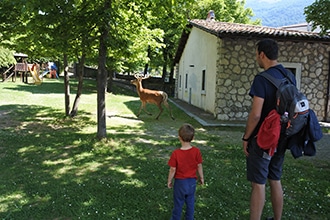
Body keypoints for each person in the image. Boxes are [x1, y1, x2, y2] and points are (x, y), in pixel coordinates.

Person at [242, 39, 296, 220]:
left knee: (258, 183)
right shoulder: (290, 76)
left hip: (264, 139)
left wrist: (246, 137)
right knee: (275, 178)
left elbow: (256, 114)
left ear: (262, 54)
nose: (256, 57)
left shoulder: (261, 79)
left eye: (257, 53)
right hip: (283, 136)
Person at [167, 123, 204, 220]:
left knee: (178, 203)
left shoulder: (176, 153)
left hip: (180, 183)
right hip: (192, 182)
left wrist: (169, 181)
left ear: (179, 137)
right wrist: (201, 178)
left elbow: (172, 169)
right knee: (190, 203)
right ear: (193, 138)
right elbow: (199, 165)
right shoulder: (196, 151)